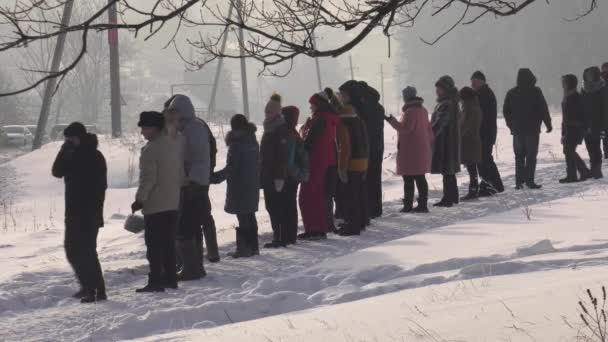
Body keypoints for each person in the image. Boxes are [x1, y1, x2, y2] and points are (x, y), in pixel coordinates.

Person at [52, 122, 107, 303]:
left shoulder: (95, 156)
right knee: (72, 251)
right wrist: (64, 152)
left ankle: (97, 290)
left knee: (87, 252)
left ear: (80, 137)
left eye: (71, 138)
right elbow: (57, 172)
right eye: (66, 138)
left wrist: (93, 209)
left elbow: (99, 186)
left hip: (89, 213)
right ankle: (87, 285)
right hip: (73, 213)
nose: (68, 141)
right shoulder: (70, 154)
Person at [131, 111, 183, 293]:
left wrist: (139, 200)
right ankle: (170, 278)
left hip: (156, 205)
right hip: (172, 202)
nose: (142, 132)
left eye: (145, 128)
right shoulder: (173, 144)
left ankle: (155, 281)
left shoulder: (151, 150)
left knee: (154, 246)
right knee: (168, 244)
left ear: (155, 128)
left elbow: (149, 179)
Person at [165, 94, 210, 280]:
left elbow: (189, 154)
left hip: (193, 182)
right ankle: (194, 266)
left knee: (186, 226)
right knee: (190, 226)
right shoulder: (188, 128)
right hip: (191, 181)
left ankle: (192, 268)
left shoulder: (193, 129)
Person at [213, 114, 260, 257]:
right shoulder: (253, 141)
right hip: (252, 183)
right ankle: (253, 247)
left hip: (240, 186)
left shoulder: (236, 144)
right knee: (250, 215)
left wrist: (215, 177)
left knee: (243, 216)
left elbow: (231, 168)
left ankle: (244, 249)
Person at [339, 80, 384, 220]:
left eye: (343, 95)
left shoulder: (356, 109)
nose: (341, 98)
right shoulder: (377, 107)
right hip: (377, 147)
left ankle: (364, 212)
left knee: (362, 183)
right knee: (374, 179)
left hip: (361, 150)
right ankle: (374, 209)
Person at [298, 91, 340, 240]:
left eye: (312, 105)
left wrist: (301, 145)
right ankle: (321, 227)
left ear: (318, 104)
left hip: (316, 160)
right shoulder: (331, 118)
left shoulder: (319, 119)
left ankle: (313, 228)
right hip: (329, 159)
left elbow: (310, 142)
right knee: (320, 195)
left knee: (307, 196)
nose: (310, 108)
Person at [503, 68, 552, 189]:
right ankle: (529, 181)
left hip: (517, 131)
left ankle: (519, 182)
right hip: (532, 129)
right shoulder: (536, 91)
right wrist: (548, 124)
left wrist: (511, 125)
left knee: (519, 157)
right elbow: (543, 108)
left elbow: (506, 111)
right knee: (531, 156)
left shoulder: (511, 93)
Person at [386, 86, 432, 213]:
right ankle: (423, 203)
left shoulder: (410, 111)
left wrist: (392, 121)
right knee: (420, 177)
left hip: (411, 150)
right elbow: (429, 130)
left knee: (408, 178)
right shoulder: (422, 110)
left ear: (407, 97)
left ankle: (408, 204)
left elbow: (406, 129)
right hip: (421, 148)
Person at [259, 94, 291, 248]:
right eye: (266, 111)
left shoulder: (280, 129)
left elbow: (282, 156)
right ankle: (278, 235)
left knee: (276, 206)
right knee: (270, 206)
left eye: (270, 112)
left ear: (277, 113)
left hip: (275, 176)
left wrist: (279, 177)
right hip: (267, 174)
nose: (267, 114)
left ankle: (280, 237)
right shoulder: (268, 128)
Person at [335, 93, 369, 236]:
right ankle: (360, 222)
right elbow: (366, 143)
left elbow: (345, 147)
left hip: (351, 164)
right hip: (362, 162)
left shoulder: (343, 125)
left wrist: (342, 167)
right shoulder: (359, 122)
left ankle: (352, 226)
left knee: (350, 197)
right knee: (359, 194)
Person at [471, 71, 504, 195]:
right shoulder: (482, 93)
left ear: (481, 81)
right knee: (485, 159)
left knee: (484, 160)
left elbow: (482, 116)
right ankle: (494, 184)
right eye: (472, 81)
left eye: (475, 81)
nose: (472, 83)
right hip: (485, 132)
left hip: (485, 132)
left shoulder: (484, 94)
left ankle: (490, 185)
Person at [431, 76, 461, 207]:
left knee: (447, 171)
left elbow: (441, 123)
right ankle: (452, 196)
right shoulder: (451, 102)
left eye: (439, 88)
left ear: (446, 89)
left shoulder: (447, 104)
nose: (437, 91)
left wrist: (430, 134)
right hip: (450, 141)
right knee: (449, 172)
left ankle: (448, 198)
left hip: (446, 142)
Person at [282, 105, 306, 245]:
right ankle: (290, 235)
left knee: (287, 205)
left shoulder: (288, 133)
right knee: (290, 204)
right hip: (294, 175)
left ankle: (288, 235)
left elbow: (288, 158)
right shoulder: (294, 132)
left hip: (289, 175)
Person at [559, 75, 590, 183]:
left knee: (569, 150)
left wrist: (582, 127)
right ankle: (579, 173)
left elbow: (582, 115)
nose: (562, 85)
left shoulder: (576, 97)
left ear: (569, 84)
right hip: (569, 129)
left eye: (564, 82)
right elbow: (565, 118)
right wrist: (563, 133)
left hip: (575, 129)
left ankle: (577, 174)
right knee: (568, 150)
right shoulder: (567, 96)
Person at [581, 67, 606, 179]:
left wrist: (603, 126)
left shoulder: (602, 88)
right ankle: (593, 168)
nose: (589, 77)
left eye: (591, 74)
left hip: (597, 122)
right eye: (587, 75)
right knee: (589, 146)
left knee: (596, 147)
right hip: (585, 123)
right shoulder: (583, 89)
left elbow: (604, 108)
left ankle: (597, 170)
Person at [459, 87, 483, 201]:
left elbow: (465, 125)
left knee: (471, 167)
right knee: (472, 167)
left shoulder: (469, 108)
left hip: (469, 141)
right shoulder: (474, 106)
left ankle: (473, 190)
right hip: (473, 140)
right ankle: (473, 189)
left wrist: (458, 134)